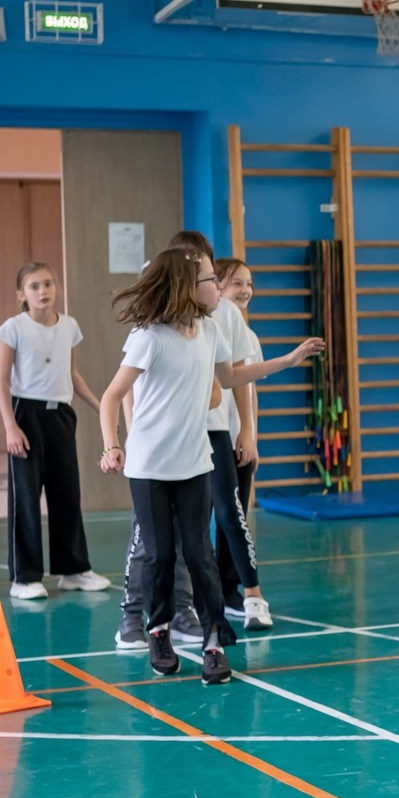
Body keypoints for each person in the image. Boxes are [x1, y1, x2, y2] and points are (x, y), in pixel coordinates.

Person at [117, 233, 318, 649]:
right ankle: (140, 620)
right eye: (212, 278)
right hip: (151, 458)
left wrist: (286, 361)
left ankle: (208, 629)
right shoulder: (150, 334)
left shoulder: (212, 327)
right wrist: (117, 444)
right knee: (155, 550)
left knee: (198, 548)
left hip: (196, 450)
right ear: (187, 281)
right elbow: (118, 394)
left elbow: (230, 378)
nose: (223, 287)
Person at [0, 262, 110, 599]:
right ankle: (24, 577)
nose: (43, 291)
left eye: (48, 284)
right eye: (34, 286)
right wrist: (10, 427)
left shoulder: (69, 326)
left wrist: (100, 405)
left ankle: (73, 569)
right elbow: (1, 381)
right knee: (26, 498)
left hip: (60, 414)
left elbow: (71, 374)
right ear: (21, 294)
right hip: (25, 414)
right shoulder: (13, 328)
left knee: (67, 493)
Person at [213, 258, 272, 628]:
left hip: (239, 439)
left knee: (234, 517)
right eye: (236, 283)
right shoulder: (208, 326)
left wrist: (251, 435)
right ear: (216, 286)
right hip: (212, 435)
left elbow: (250, 390)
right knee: (221, 512)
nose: (245, 290)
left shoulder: (248, 337)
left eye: (249, 283)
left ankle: (229, 588)